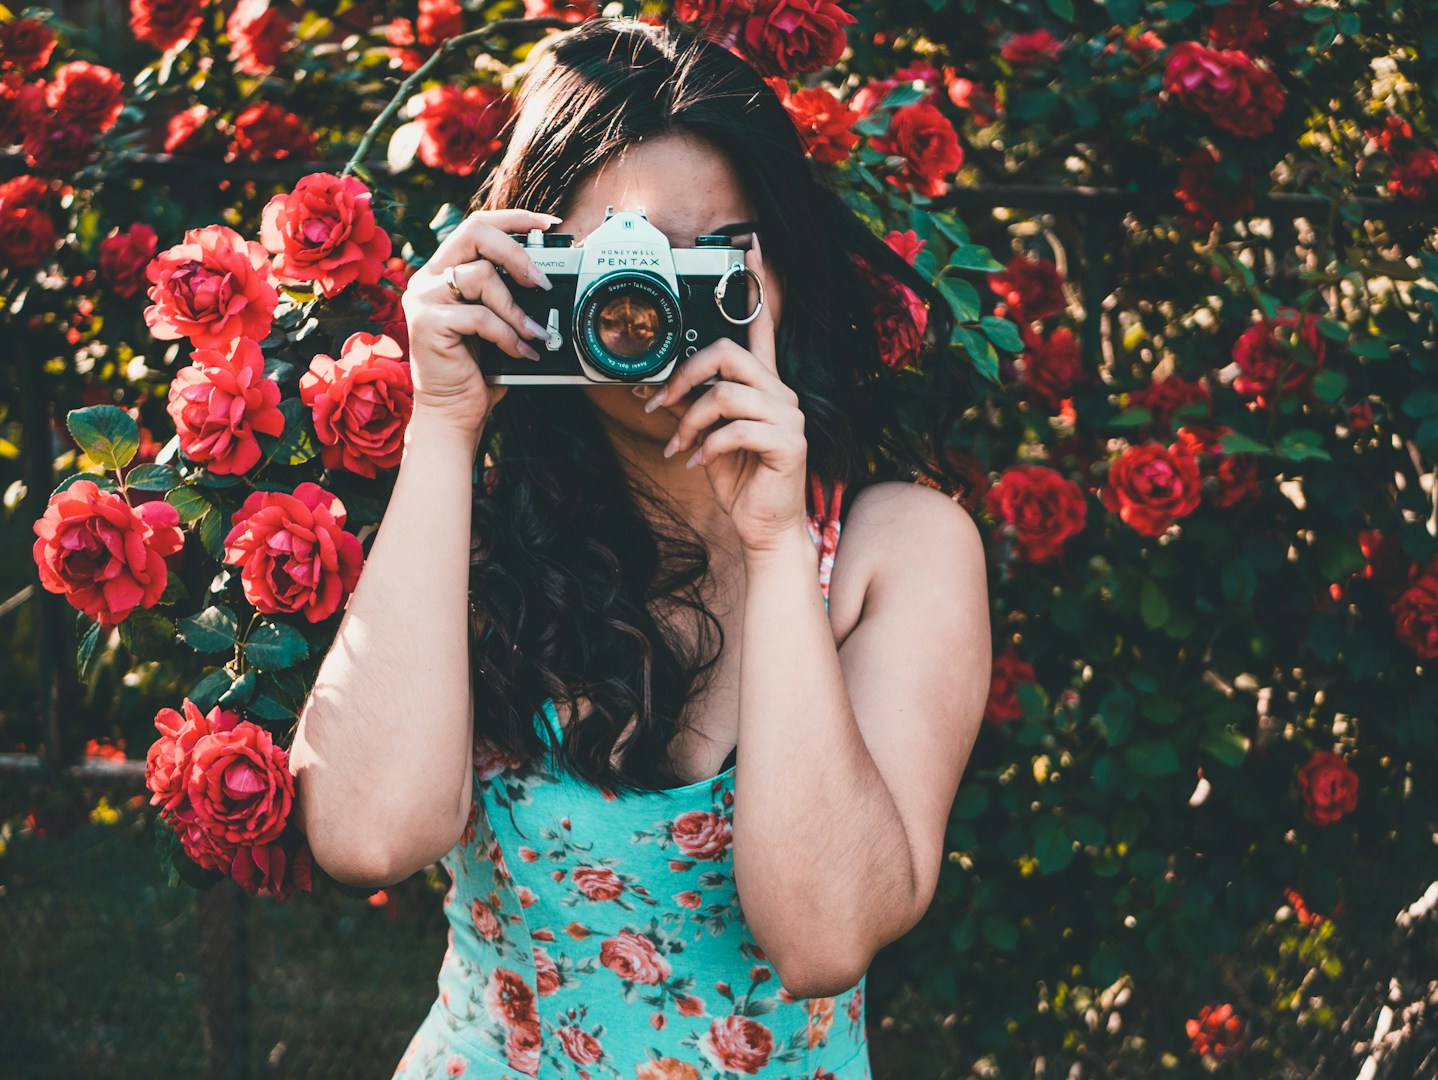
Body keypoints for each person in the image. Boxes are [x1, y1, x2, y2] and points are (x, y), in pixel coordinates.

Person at [288, 16, 991, 1079]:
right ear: (531, 280)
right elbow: (367, 837)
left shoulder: (901, 550)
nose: (652, 312)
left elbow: (822, 939)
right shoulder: (472, 535)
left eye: (709, 263)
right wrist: (441, 426)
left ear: (780, 276)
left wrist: (772, 538)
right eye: (620, 273)